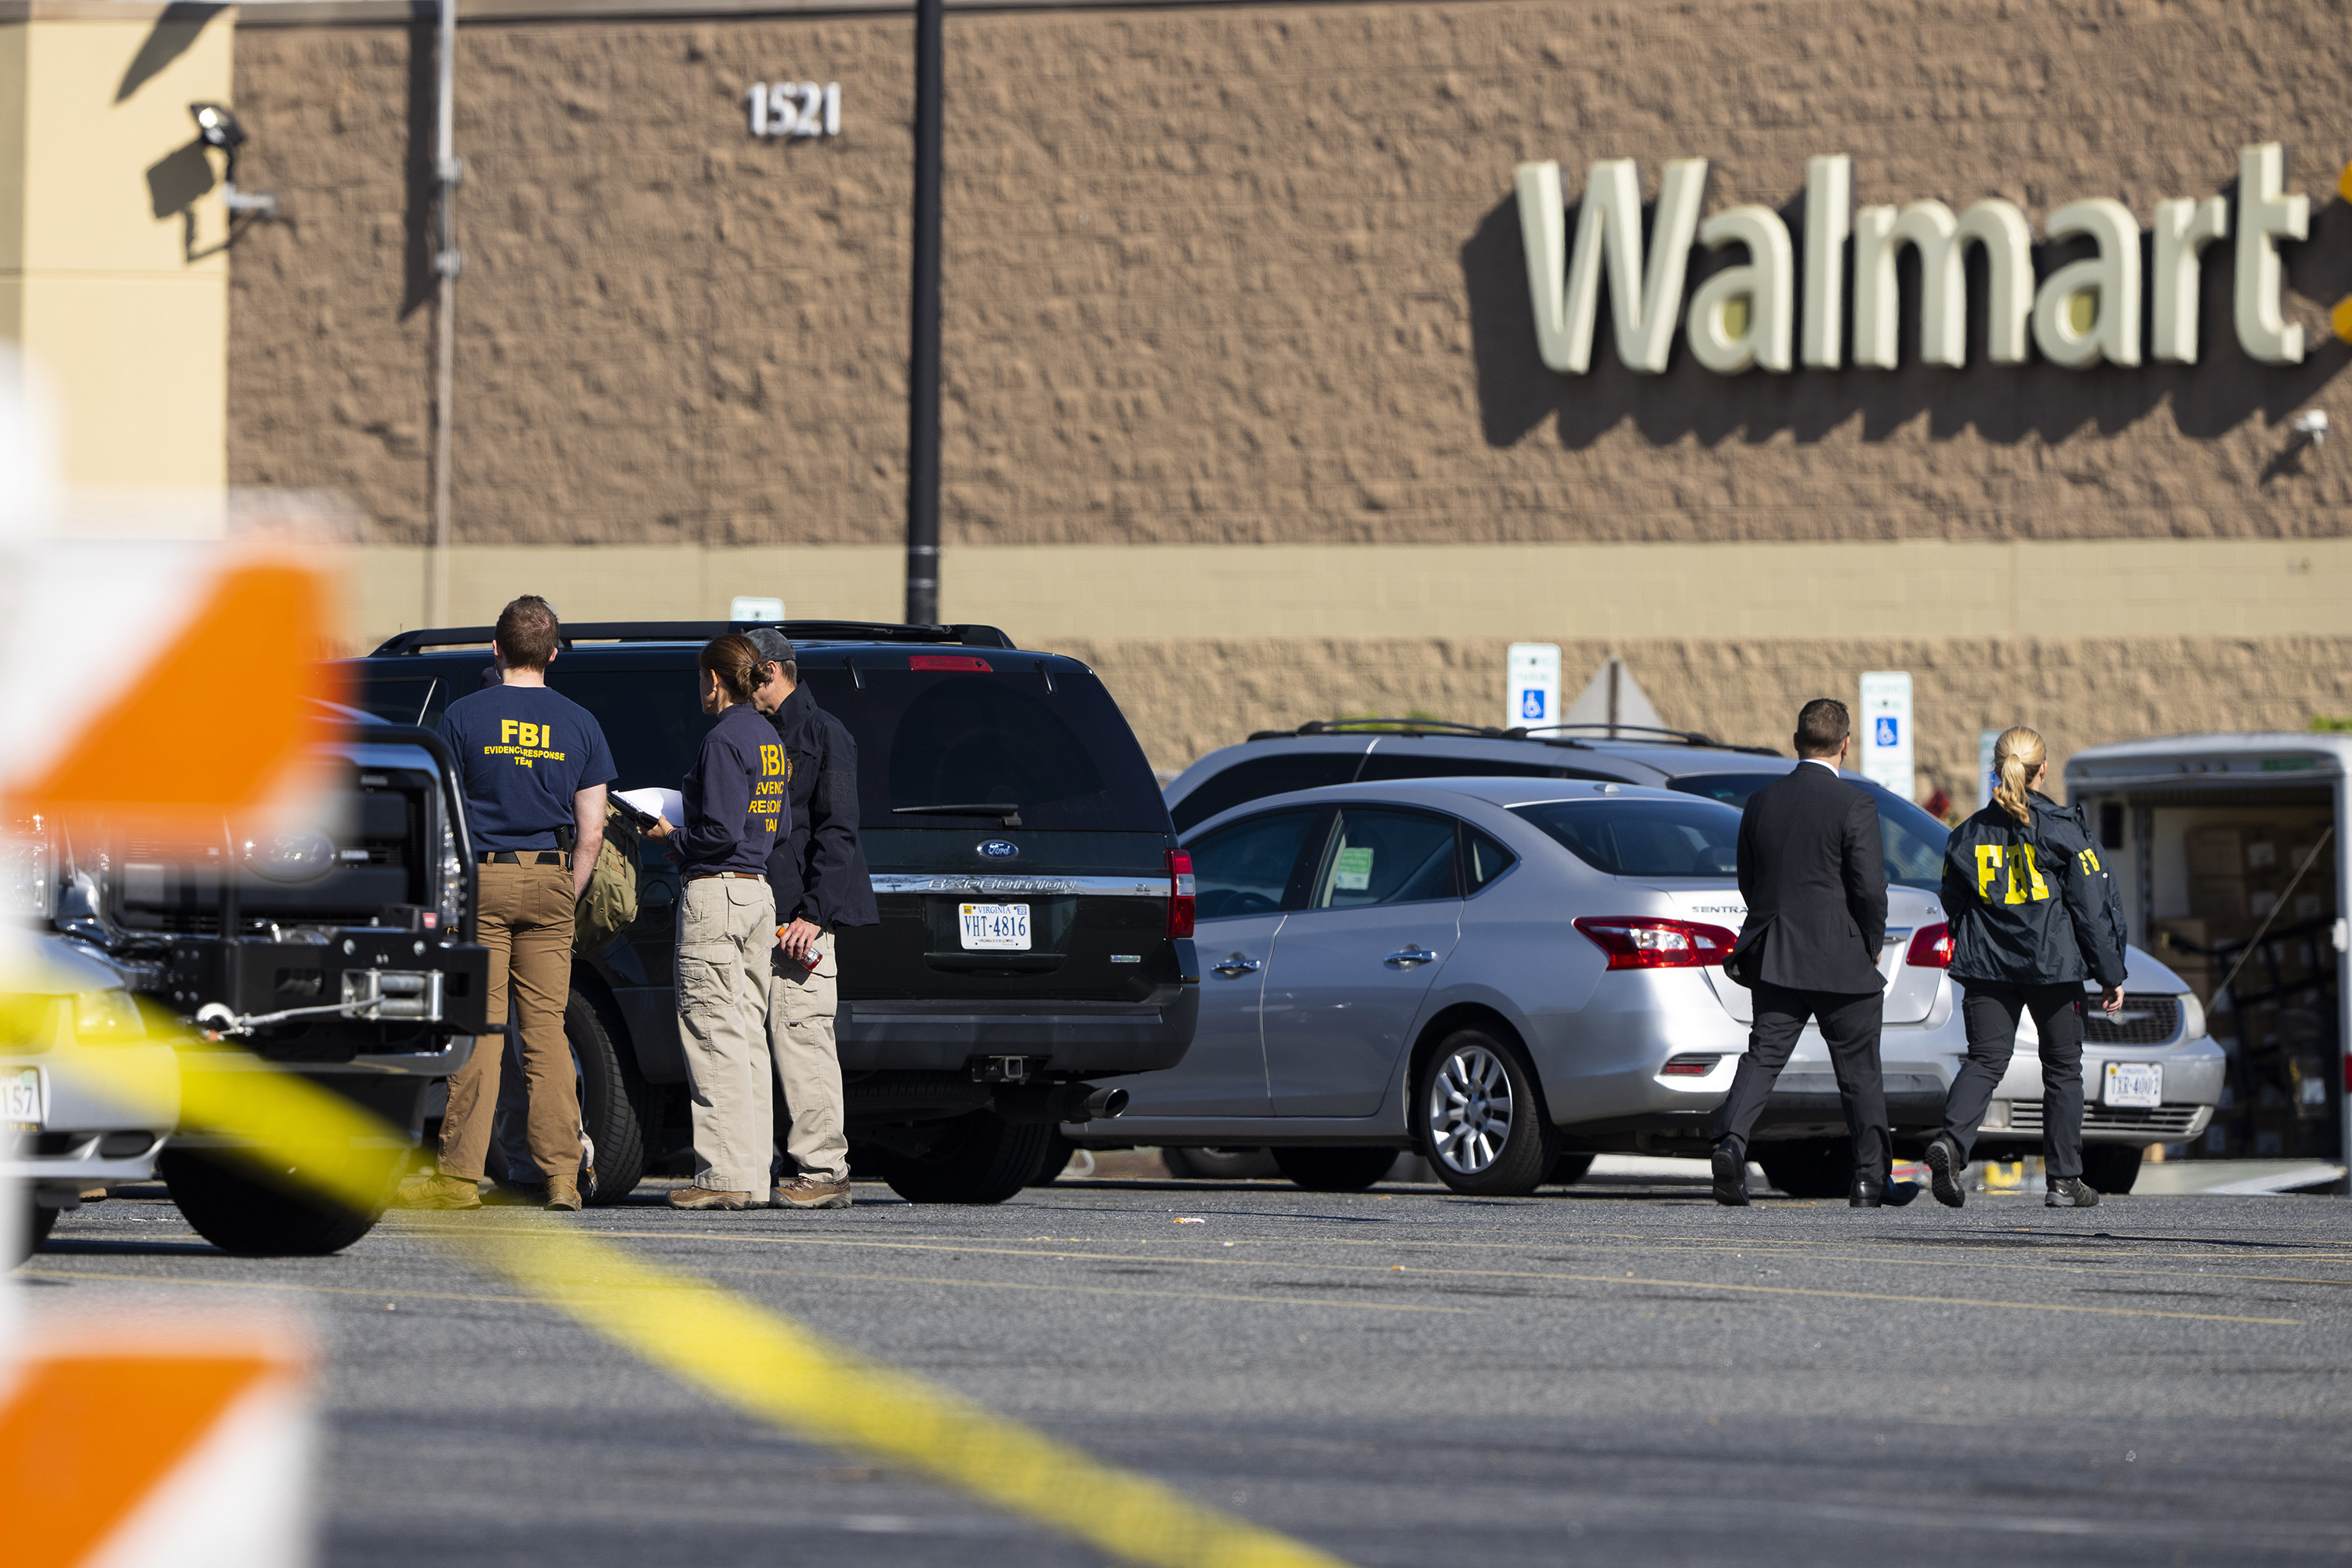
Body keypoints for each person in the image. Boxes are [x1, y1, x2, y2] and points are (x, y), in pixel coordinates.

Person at [400, 596, 613, 1213]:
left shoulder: (463, 717)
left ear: (495, 649)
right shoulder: (580, 723)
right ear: (552, 654)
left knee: (483, 1032)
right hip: (550, 877)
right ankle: (562, 1179)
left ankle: (459, 1179)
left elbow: (441, 818)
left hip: (482, 883)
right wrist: (564, 892)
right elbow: (593, 831)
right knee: (545, 1036)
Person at [1711, 698, 1910, 1207]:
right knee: (1861, 1070)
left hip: (1777, 952)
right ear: (1846, 744)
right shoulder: (1855, 804)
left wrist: (1773, 926)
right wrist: (1871, 942)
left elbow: (1749, 880)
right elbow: (1869, 888)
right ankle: (1870, 1179)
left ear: (1796, 741)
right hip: (1842, 955)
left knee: (1765, 1054)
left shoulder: (1761, 801)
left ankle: (1730, 1144)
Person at [1922, 727, 2127, 1210]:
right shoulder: (2061, 829)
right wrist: (2110, 973)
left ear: (1996, 769)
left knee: (1986, 1060)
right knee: (2062, 1068)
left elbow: (1952, 900)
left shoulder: (1967, 833)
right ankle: (2064, 1180)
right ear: (2044, 770)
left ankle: (1951, 1145)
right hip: (2052, 967)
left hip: (1987, 966)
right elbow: (2090, 909)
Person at [643, 633, 789, 1210]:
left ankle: (724, 1175)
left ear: (715, 679)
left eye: (700, 678)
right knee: (748, 1037)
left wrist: (669, 836)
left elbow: (719, 832)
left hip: (719, 894)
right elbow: (766, 829)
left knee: (712, 1032)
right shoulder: (768, 737)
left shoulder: (724, 738)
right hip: (757, 893)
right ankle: (751, 1174)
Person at [745, 628, 879, 1210]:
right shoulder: (750, 733)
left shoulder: (825, 734)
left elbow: (838, 830)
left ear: (770, 672)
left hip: (801, 921)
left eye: (742, 674)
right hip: (758, 911)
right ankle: (759, 1167)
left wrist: (814, 916)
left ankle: (824, 1170)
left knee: (802, 1041)